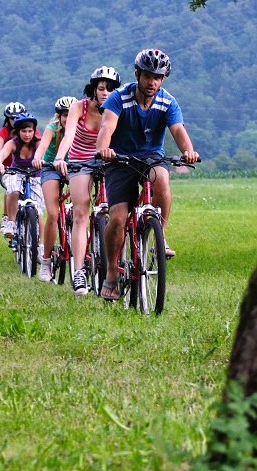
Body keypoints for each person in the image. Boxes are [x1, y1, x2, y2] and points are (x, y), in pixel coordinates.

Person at [96, 48, 199, 301]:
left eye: (158, 77)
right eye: (148, 76)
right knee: (118, 219)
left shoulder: (167, 102)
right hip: (119, 159)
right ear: (137, 74)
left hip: (152, 156)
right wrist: (104, 149)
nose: (152, 82)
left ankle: (159, 237)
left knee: (162, 178)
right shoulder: (119, 98)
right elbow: (107, 127)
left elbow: (177, 130)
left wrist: (188, 151)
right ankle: (111, 272)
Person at [54, 65, 121, 295]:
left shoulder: (117, 108)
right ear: (93, 89)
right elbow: (69, 134)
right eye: (101, 88)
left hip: (105, 158)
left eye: (111, 89)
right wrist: (60, 157)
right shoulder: (78, 107)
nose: (105, 93)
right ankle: (79, 271)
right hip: (79, 160)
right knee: (81, 213)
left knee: (118, 209)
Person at [34, 96, 75, 282]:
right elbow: (42, 146)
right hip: (51, 169)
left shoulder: (79, 129)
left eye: (70, 114)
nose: (67, 118)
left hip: (74, 169)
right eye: (64, 115)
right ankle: (46, 261)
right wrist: (37, 158)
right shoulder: (51, 129)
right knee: (52, 214)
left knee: (80, 211)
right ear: (59, 116)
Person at [0, 112, 45, 246]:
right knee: (14, 191)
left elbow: (43, 153)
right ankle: (11, 223)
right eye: (24, 131)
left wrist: (40, 160)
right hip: (15, 174)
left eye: (30, 131)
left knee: (38, 212)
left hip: (34, 175)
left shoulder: (38, 143)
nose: (27, 134)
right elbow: (2, 153)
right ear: (18, 132)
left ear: (34, 131)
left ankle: (41, 246)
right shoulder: (12, 143)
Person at [0, 101, 27, 239]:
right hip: (6, 169)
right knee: (11, 187)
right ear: (8, 119)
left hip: (26, 168)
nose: (15, 120)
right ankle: (7, 217)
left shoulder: (29, 129)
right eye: (12, 118)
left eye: (18, 117)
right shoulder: (4, 132)